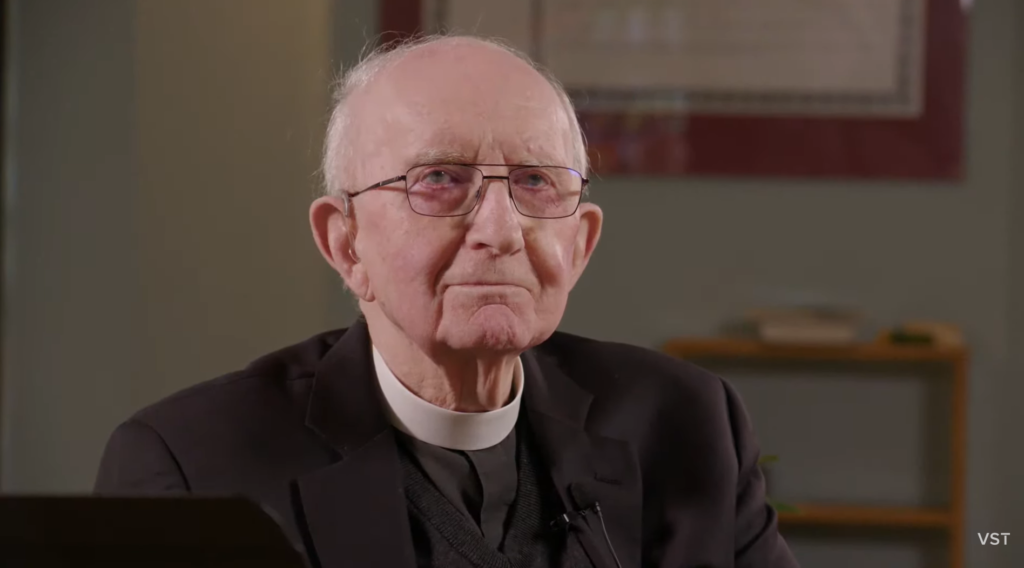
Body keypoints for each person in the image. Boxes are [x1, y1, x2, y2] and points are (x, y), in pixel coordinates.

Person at [95, 34, 799, 568]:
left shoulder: (688, 426)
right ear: (345, 243)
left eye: (535, 182)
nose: (501, 230)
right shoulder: (194, 469)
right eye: (439, 179)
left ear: (579, 244)